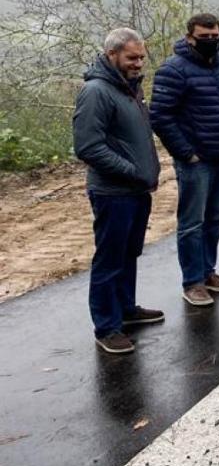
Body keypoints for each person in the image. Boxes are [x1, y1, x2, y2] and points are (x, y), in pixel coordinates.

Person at [72, 28, 164, 354]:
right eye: (132, 57)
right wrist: (133, 172)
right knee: (110, 259)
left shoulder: (130, 89)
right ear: (112, 55)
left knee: (129, 254)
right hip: (113, 192)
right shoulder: (96, 91)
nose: (139, 63)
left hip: (137, 190)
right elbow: (87, 147)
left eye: (141, 57)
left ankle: (126, 310)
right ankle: (106, 327)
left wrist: (147, 173)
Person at [149, 13, 219, 307]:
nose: (210, 41)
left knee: (215, 218)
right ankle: (192, 282)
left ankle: (208, 271)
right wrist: (185, 152)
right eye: (204, 37)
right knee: (192, 222)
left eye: (215, 36)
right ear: (190, 37)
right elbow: (160, 116)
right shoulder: (173, 70)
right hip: (196, 161)